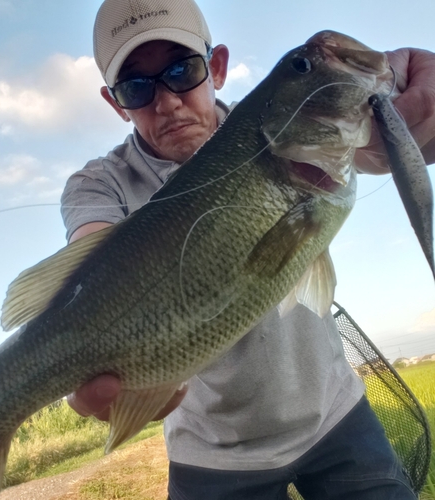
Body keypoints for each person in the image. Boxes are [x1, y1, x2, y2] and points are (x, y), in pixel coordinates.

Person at [61, 0, 435, 498]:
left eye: (181, 68)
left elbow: (373, 145)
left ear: (215, 67)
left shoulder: (279, 120)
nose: (167, 101)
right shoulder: (99, 184)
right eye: (136, 86)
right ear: (116, 102)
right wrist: (64, 353)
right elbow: (89, 266)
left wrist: (411, 117)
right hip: (212, 458)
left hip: (337, 417)